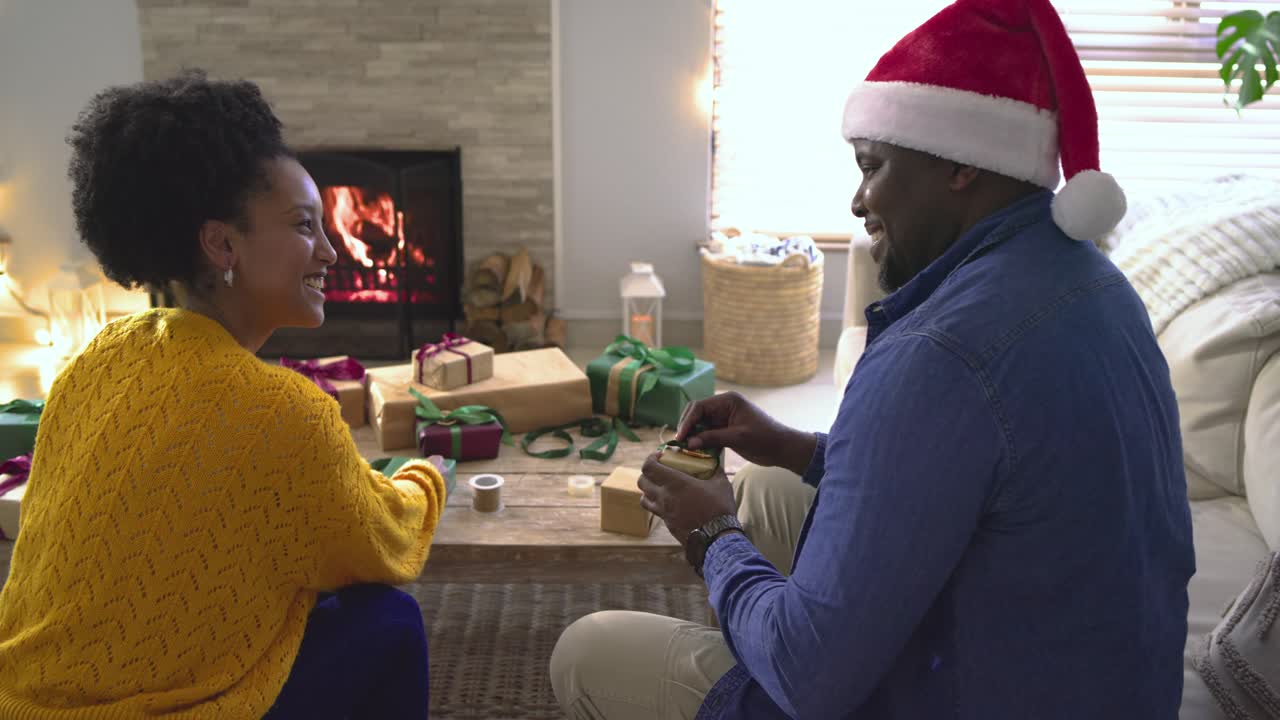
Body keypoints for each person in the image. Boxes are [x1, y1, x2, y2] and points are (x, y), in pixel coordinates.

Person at [550, 0, 1196, 717]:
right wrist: (790, 446)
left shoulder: (936, 354)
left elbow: (809, 677)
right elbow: (976, 473)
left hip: (968, 690)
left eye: (873, 166)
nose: (859, 201)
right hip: (1105, 682)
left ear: (958, 163)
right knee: (767, 489)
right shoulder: (1094, 283)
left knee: (587, 651)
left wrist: (711, 535)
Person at [0, 71, 445, 719]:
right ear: (222, 243)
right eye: (302, 226)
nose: (330, 252)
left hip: (18, 697)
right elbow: (381, 542)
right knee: (391, 617)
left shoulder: (93, 360)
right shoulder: (282, 412)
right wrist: (425, 479)